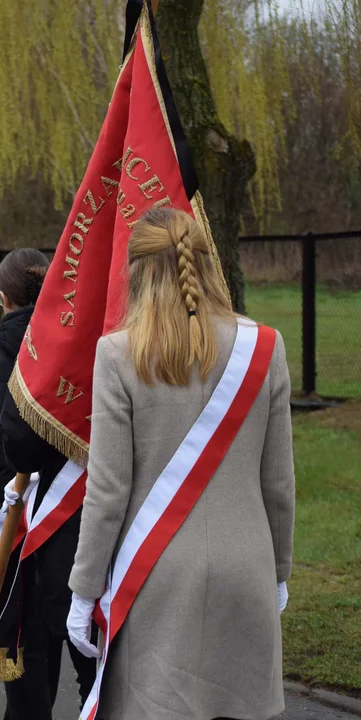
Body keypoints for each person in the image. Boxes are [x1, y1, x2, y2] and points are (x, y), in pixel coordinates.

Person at [66, 208, 294, 720]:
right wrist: (278, 570)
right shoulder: (266, 346)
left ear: (137, 273)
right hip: (247, 567)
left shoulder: (118, 354)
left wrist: (83, 591)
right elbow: (278, 482)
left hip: (157, 577)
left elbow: (107, 491)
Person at [0, 248, 97, 718]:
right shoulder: (86, 357)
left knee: (28, 664)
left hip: (16, 536)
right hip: (74, 530)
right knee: (84, 651)